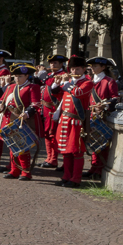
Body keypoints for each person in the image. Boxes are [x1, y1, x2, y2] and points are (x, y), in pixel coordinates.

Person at [49, 55, 92, 188]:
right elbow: (55, 93)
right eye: (72, 69)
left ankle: (76, 179)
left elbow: (78, 93)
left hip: (77, 122)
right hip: (64, 120)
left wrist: (66, 82)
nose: (74, 72)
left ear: (84, 69)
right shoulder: (70, 82)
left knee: (77, 151)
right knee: (66, 151)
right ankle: (66, 176)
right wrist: (56, 82)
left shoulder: (87, 82)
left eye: (77, 69)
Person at [0, 63, 40, 180]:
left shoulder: (32, 87)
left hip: (22, 121)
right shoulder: (11, 87)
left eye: (20, 76)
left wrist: (26, 113)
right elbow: (1, 100)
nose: (17, 78)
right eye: (15, 76)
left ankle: (26, 172)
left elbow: (35, 104)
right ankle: (14, 170)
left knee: (23, 147)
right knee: (12, 147)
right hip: (9, 120)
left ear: (27, 76)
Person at [85, 56, 119, 178]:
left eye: (95, 66)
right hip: (90, 115)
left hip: (102, 117)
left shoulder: (109, 81)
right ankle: (93, 167)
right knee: (92, 141)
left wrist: (104, 106)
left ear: (103, 67)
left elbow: (115, 99)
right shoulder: (89, 80)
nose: (92, 68)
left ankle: (100, 169)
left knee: (102, 143)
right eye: (91, 66)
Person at [39, 55, 67, 169]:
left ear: (61, 64)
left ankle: (54, 159)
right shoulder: (51, 75)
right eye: (51, 63)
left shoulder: (62, 76)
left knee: (53, 135)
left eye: (55, 63)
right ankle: (49, 157)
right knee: (47, 134)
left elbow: (58, 92)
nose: (52, 65)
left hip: (54, 109)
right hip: (46, 109)